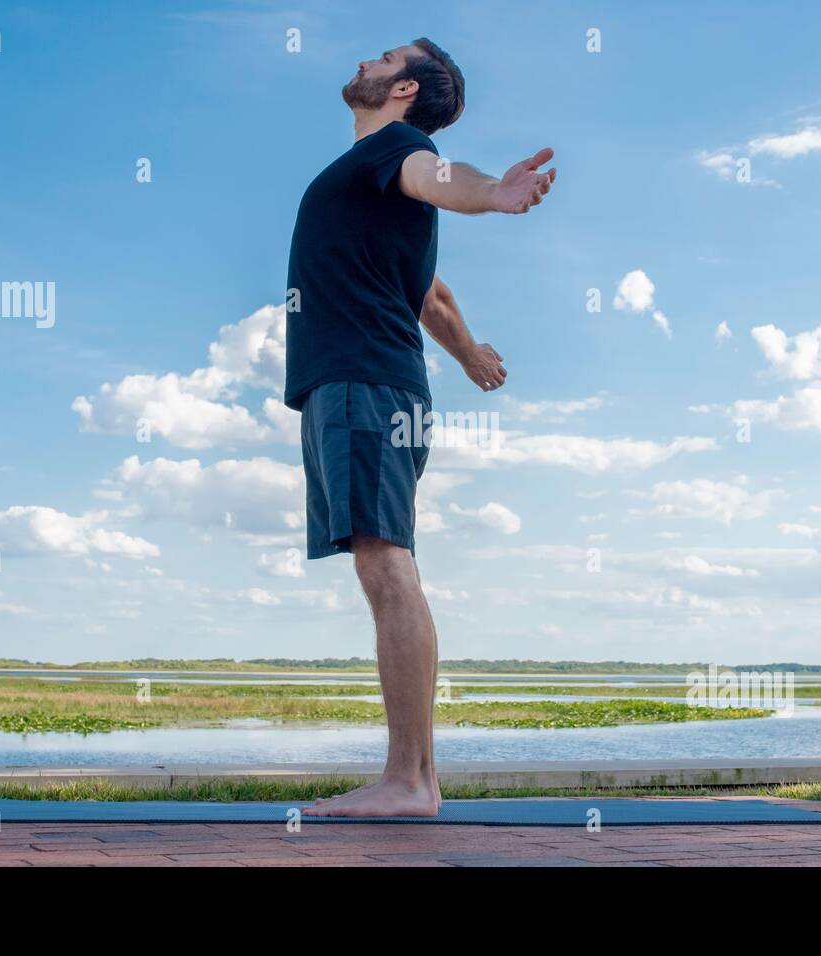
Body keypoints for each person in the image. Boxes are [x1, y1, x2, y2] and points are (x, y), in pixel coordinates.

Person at [284, 38, 555, 817]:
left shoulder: (403, 150)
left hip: (367, 385)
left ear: (402, 88)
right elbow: (428, 292)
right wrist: (469, 353)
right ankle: (412, 777)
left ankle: (411, 782)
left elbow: (443, 178)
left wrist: (491, 195)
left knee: (386, 562)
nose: (364, 58)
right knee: (379, 561)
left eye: (385, 57)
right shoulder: (372, 179)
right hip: (358, 384)